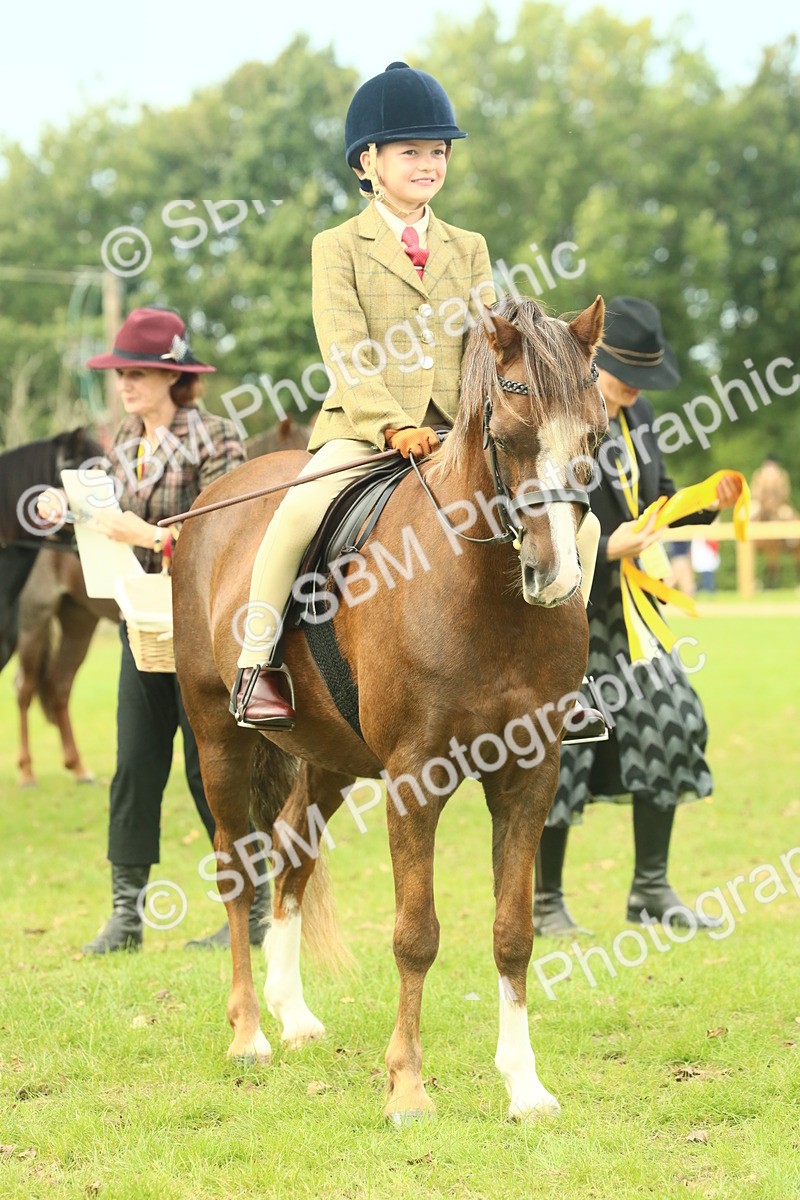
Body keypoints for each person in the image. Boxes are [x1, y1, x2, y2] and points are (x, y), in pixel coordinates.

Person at [229, 61, 605, 739]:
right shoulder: (336, 247)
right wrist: (393, 425)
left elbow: (488, 348)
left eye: (439, 152)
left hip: (459, 434)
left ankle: (565, 683)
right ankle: (258, 667)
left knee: (581, 525)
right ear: (366, 163)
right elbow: (343, 348)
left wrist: (484, 419)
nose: (429, 163)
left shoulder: (469, 247)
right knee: (297, 511)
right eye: (412, 152)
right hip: (364, 428)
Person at [38, 307, 269, 953]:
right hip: (142, 627)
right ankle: (126, 915)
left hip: (203, 631)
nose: (126, 385)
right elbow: (100, 525)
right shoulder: (118, 443)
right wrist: (66, 513)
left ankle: (251, 913)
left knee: (209, 771)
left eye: (137, 373)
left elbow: (226, 537)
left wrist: (144, 535)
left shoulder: (218, 438)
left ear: (174, 378)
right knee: (135, 768)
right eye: (120, 374)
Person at [533, 297, 740, 935]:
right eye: (627, 375)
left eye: (642, 380)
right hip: (569, 611)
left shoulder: (637, 413)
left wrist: (706, 501)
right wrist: (606, 539)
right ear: (594, 360)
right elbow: (542, 504)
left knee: (673, 719)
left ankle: (650, 889)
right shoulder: (558, 414)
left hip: (631, 614)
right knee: (563, 749)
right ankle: (544, 904)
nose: (635, 390)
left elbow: (656, 499)